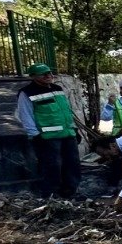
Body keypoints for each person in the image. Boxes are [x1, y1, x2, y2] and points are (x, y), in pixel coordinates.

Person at [15, 63, 81, 199]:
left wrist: (75, 129)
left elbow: (66, 112)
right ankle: (52, 194)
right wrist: (34, 135)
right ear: (33, 76)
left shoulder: (58, 89)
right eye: (43, 74)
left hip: (68, 133)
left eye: (49, 73)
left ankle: (70, 191)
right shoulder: (27, 92)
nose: (48, 76)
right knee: (52, 166)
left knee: (72, 163)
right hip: (48, 137)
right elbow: (25, 115)